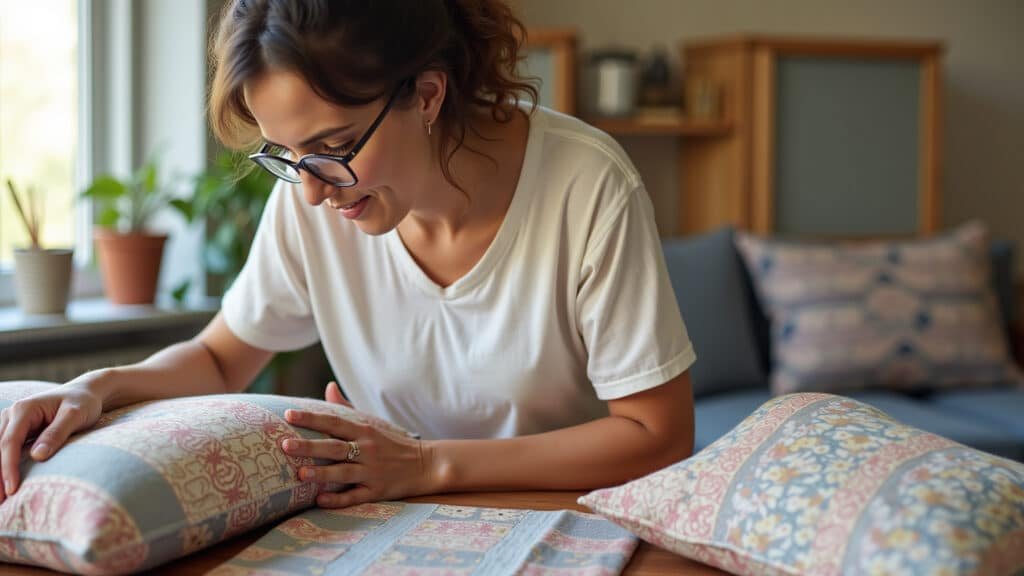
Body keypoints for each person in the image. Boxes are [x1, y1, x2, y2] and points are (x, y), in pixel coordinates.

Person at [0, 0, 696, 508]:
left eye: (333, 149)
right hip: (401, 523)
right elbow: (219, 358)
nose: (309, 191)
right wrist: (94, 389)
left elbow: (656, 434)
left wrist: (428, 466)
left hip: (570, 522)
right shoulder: (319, 201)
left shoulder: (586, 184)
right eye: (289, 155)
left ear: (427, 94)